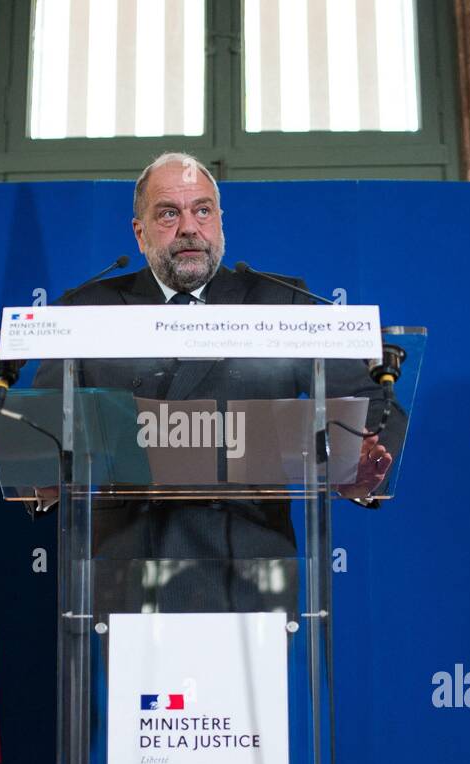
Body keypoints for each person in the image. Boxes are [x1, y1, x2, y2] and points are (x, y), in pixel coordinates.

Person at [32, 152, 397, 612]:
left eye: (202, 210)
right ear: (139, 233)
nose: (189, 227)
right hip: (126, 568)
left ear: (220, 223)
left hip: (251, 565)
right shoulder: (85, 310)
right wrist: (42, 475)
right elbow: (39, 427)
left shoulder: (279, 301)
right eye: (169, 213)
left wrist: (363, 460)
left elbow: (370, 403)